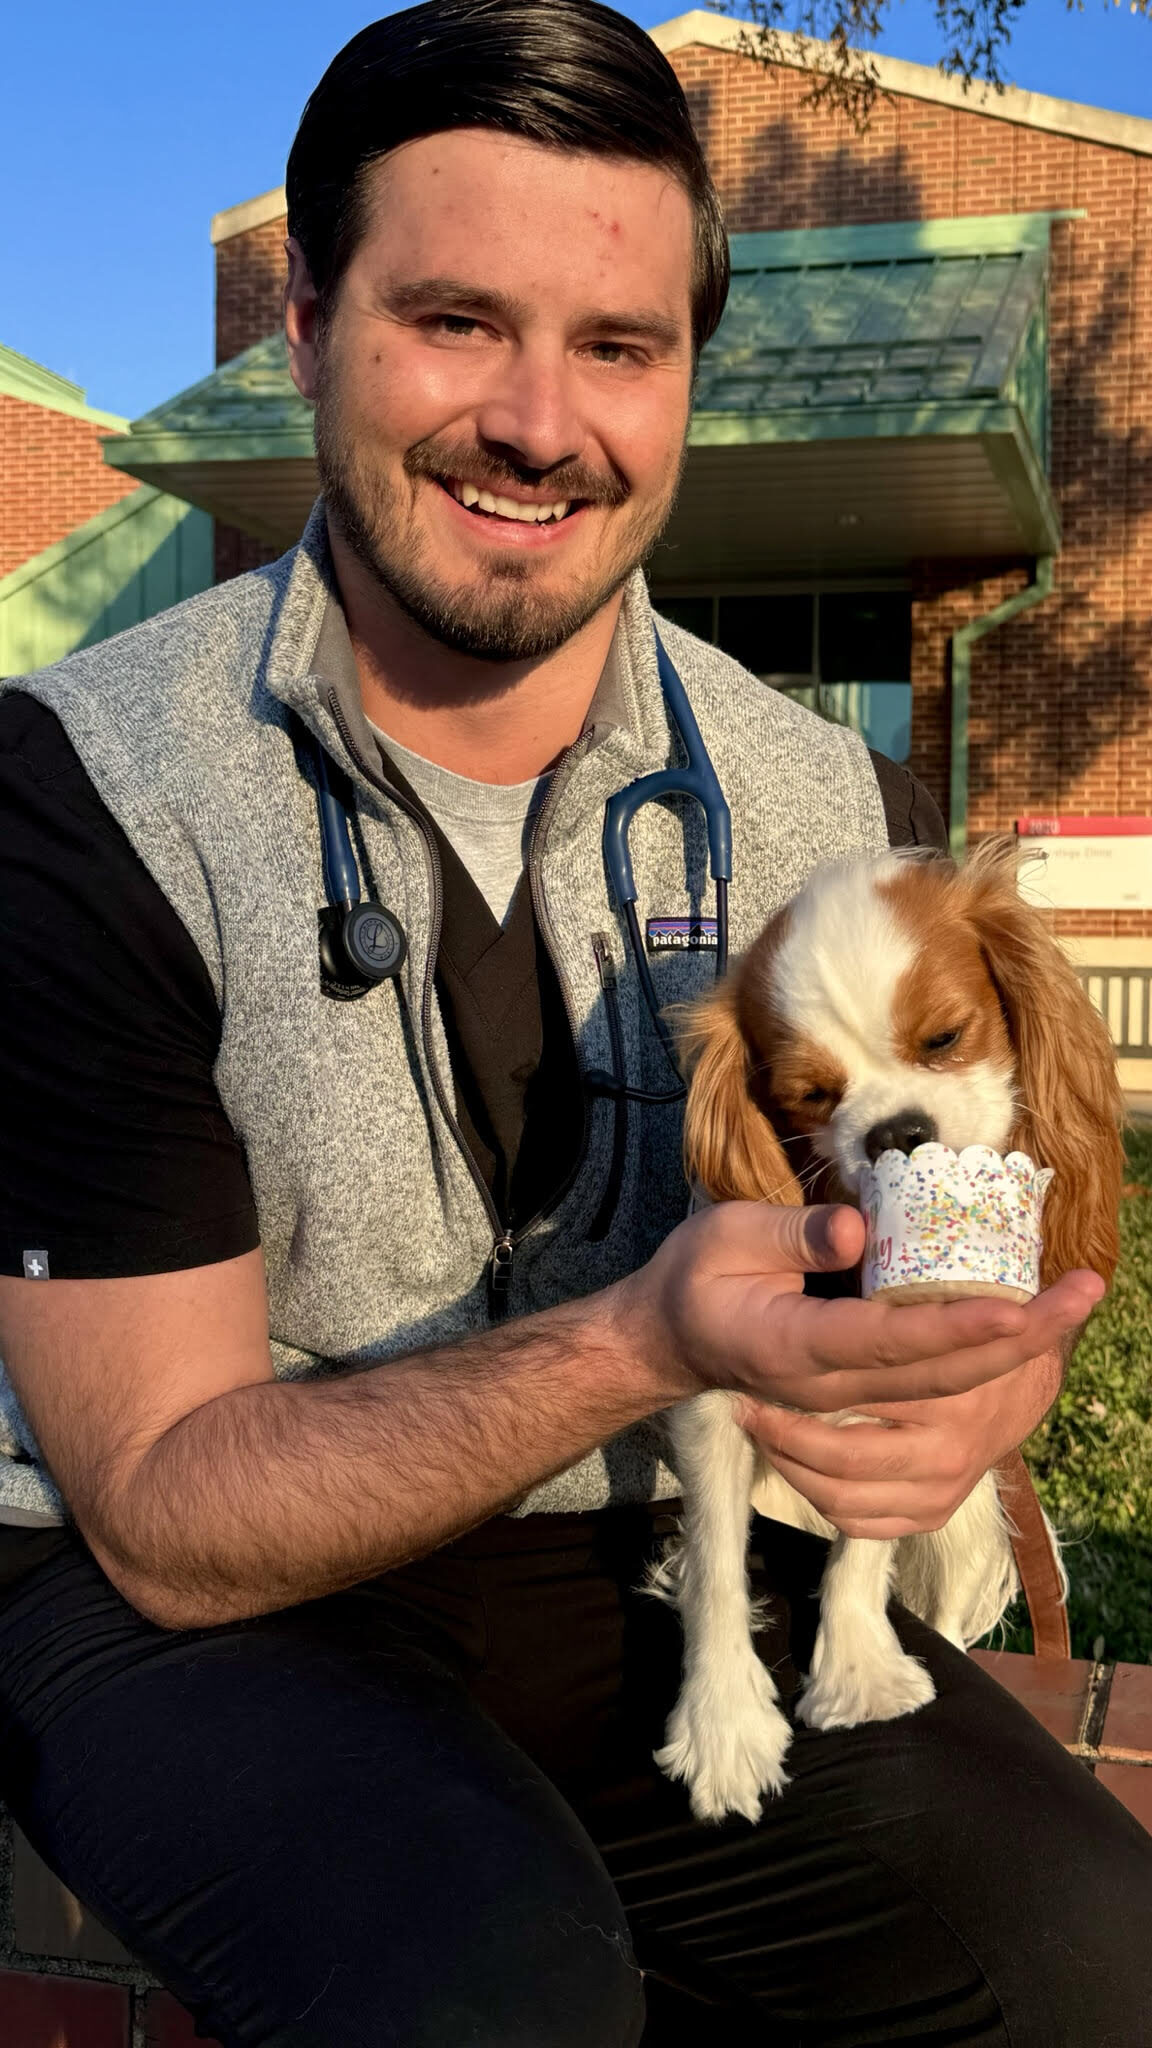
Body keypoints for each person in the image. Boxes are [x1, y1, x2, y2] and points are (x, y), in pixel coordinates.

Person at [0, 4, 1147, 2043]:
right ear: (306, 320)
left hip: (613, 1537)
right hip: (169, 1577)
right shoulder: (85, 784)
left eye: (617, 347)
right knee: (492, 1988)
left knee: (1090, 1956)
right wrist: (645, 1333)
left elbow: (915, 1249)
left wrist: (960, 1404)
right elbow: (164, 1506)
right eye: (456, 321)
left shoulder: (807, 790)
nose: (541, 422)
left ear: (687, 373)